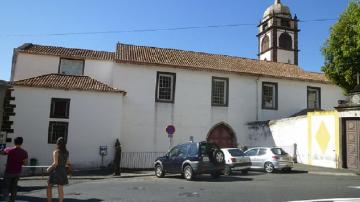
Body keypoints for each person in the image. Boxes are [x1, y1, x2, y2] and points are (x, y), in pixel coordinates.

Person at [0, 136, 28, 202]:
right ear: (21, 143)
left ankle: (7, 199)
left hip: (9, 171)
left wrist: (1, 149)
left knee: (5, 187)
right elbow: (25, 163)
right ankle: (13, 200)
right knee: (14, 187)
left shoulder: (9, 150)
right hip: (17, 172)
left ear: (14, 142)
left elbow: (2, 153)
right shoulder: (24, 152)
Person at [46, 137, 71, 202]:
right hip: (63, 171)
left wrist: (49, 169)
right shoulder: (67, 152)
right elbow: (68, 163)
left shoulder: (56, 152)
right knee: (60, 188)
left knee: (49, 186)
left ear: (57, 143)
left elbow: (55, 163)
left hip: (56, 171)